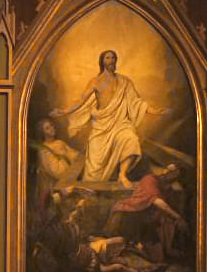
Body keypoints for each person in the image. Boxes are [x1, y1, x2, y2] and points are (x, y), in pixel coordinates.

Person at [57, 49, 160, 184]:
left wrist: (153, 110)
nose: (110, 61)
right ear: (102, 61)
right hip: (101, 125)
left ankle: (122, 175)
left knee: (130, 138)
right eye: (107, 58)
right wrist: (65, 111)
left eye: (112, 58)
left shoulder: (124, 81)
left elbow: (136, 102)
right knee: (94, 170)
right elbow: (81, 100)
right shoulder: (96, 81)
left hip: (120, 123)